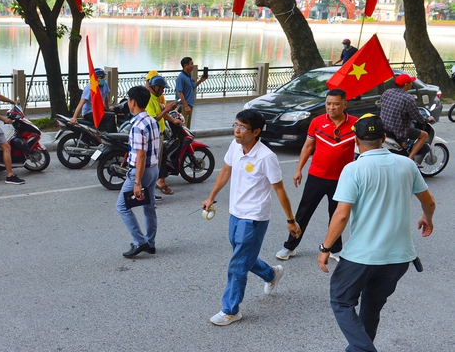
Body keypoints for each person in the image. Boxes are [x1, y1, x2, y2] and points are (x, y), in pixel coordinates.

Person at [318, 114, 435, 352]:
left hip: (362, 255)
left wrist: (325, 247)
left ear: (356, 141)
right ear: (384, 138)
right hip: (399, 257)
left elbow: (341, 215)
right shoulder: (407, 164)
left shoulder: (354, 169)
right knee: (372, 304)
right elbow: (429, 202)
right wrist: (427, 218)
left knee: (341, 301)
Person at [201, 109, 301, 326]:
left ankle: (231, 310)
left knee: (237, 265)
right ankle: (271, 274)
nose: (237, 130)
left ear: (256, 131)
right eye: (235, 125)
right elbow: (226, 171)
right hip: (235, 213)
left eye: (242, 127)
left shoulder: (266, 157)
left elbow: (280, 189)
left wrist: (291, 220)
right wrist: (211, 197)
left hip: (254, 217)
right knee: (242, 256)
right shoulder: (235, 146)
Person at [276, 89, 358, 261]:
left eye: (336, 104)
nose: (331, 107)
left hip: (342, 179)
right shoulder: (317, 122)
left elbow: (363, 148)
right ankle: (289, 246)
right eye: (328, 104)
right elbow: (307, 146)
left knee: (336, 214)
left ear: (345, 104)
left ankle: (335, 249)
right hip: (317, 176)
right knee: (303, 213)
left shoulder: (355, 125)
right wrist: (299, 169)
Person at [115, 86, 160, 258]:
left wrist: (137, 182)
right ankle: (150, 243)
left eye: (128, 99)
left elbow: (141, 156)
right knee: (149, 208)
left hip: (140, 173)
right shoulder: (151, 121)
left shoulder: (137, 126)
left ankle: (140, 242)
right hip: (153, 169)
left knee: (121, 207)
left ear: (132, 102)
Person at [380, 74, 434, 164]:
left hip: (384, 126)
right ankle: (410, 158)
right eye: (410, 83)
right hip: (398, 130)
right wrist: (427, 120)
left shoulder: (387, 92)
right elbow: (417, 117)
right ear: (405, 84)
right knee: (424, 135)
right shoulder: (408, 98)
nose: (411, 84)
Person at [145, 74, 179, 196]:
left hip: (159, 132)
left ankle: (159, 180)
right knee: (159, 159)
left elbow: (161, 114)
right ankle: (159, 182)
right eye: (162, 88)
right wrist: (166, 110)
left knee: (162, 156)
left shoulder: (155, 98)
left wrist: (173, 119)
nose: (163, 91)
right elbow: (153, 118)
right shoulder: (149, 99)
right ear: (155, 87)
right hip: (154, 135)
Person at [69, 68, 116, 132]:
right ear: (95, 78)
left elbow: (106, 97)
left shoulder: (104, 84)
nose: (103, 79)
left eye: (104, 77)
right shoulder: (90, 88)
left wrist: (108, 108)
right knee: (111, 117)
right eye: (101, 77)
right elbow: (81, 103)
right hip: (89, 112)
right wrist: (74, 117)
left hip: (99, 110)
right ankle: (112, 139)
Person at [175, 57, 208, 129]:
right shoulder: (181, 77)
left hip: (189, 105)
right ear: (185, 65)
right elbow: (179, 93)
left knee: (187, 126)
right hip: (183, 106)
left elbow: (193, 86)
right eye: (191, 64)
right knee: (183, 127)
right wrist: (186, 106)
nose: (193, 66)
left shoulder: (189, 76)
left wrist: (201, 80)